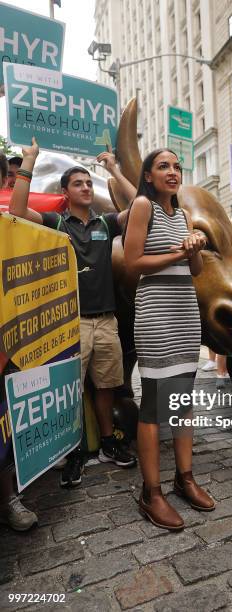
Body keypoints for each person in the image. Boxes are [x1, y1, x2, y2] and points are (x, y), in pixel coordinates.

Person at [8, 138, 137, 488]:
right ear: (65, 191)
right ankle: (74, 451)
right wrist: (29, 162)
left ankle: (109, 443)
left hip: (107, 320)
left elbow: (142, 205)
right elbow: (17, 213)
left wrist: (112, 168)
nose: (84, 187)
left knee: (107, 386)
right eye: (77, 183)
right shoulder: (55, 222)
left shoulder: (107, 224)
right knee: (71, 391)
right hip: (70, 324)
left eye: (87, 182)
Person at [123, 148, 215, 531]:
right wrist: (179, 250)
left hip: (185, 313)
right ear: (148, 175)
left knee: (183, 400)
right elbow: (133, 261)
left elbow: (194, 269)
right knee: (155, 406)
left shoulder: (183, 215)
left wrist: (195, 247)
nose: (173, 172)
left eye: (177, 166)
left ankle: (185, 477)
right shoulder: (143, 206)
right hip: (156, 311)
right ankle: (152, 492)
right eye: (164, 166)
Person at [0, 152, 38, 531]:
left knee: (5, 425)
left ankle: (9, 497)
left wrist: (28, 162)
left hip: (5, 345)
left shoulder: (8, 217)